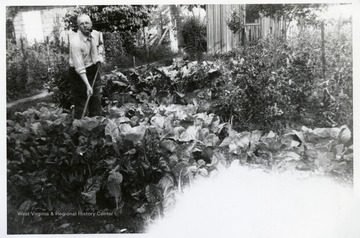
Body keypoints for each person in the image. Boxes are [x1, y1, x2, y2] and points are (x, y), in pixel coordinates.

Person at [69, 14, 104, 119]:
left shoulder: (96, 34)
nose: (85, 26)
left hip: (93, 69)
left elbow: (100, 43)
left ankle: (97, 126)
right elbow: (80, 68)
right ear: (78, 27)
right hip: (78, 74)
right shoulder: (75, 43)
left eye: (87, 23)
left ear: (91, 23)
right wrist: (88, 85)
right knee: (82, 102)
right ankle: (80, 130)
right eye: (81, 24)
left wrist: (100, 55)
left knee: (96, 99)